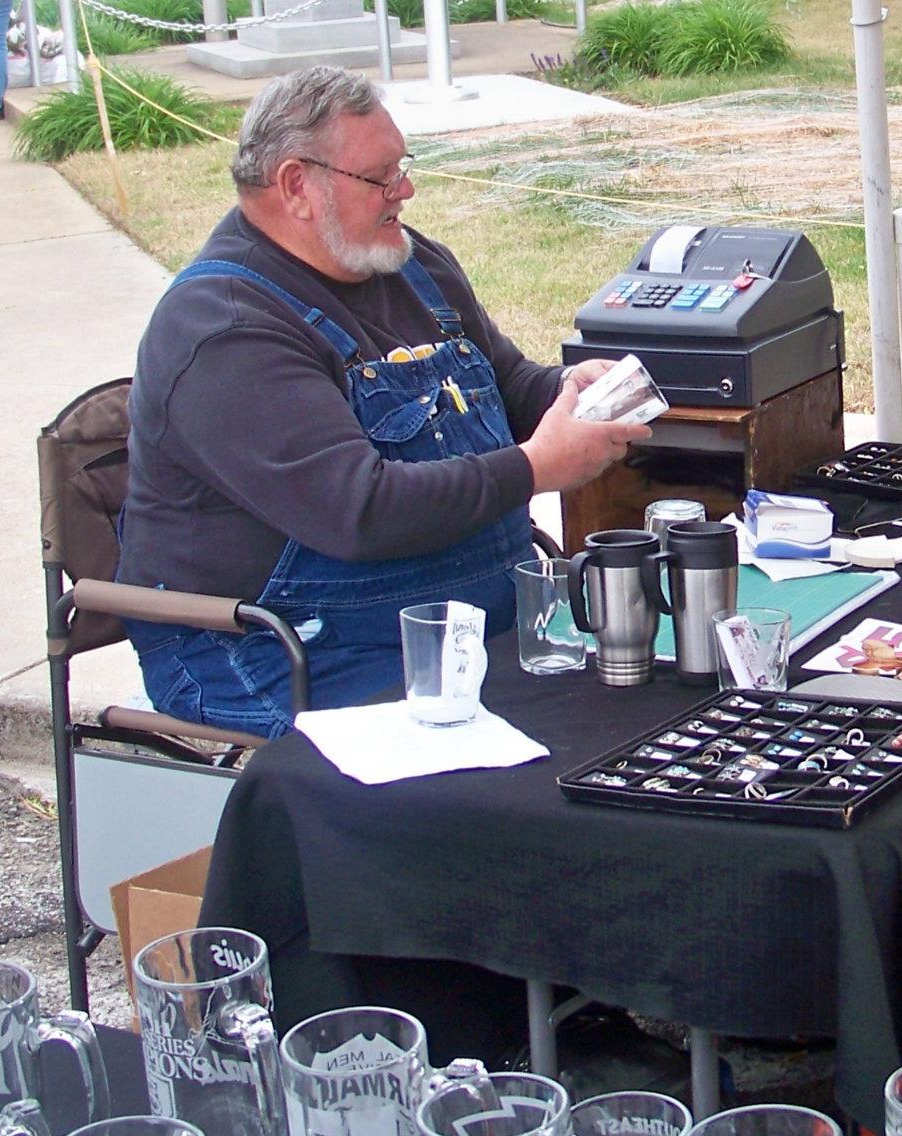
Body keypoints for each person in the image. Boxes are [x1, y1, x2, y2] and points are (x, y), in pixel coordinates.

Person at [118, 64, 646, 738]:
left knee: (638, 696)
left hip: (462, 624)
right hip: (282, 650)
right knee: (530, 751)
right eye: (381, 176)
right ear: (296, 186)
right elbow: (358, 510)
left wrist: (584, 395)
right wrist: (538, 467)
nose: (407, 189)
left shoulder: (408, 264)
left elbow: (511, 386)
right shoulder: (223, 328)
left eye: (404, 166)